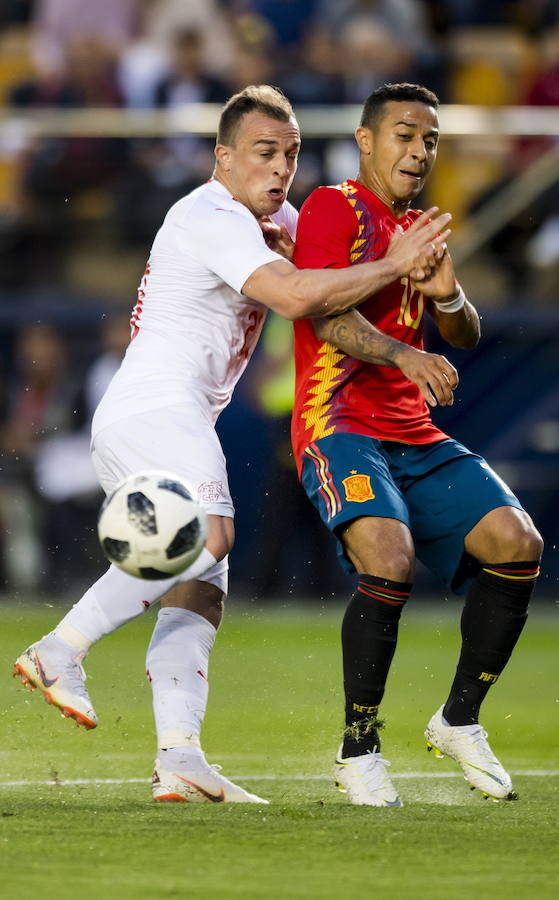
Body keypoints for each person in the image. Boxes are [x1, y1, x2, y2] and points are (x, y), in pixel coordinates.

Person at [13, 84, 452, 804]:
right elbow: (299, 298)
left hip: (154, 415)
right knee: (210, 534)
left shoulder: (267, 221)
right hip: (158, 406)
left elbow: (307, 273)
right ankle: (60, 649)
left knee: (201, 589)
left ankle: (179, 756)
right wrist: (396, 262)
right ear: (223, 157)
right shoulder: (211, 213)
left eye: (291, 154)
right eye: (262, 153)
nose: (280, 169)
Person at [291, 82, 544, 806]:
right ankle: (359, 746)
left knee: (516, 541)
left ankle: (458, 719)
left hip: (413, 430)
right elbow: (324, 314)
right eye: (405, 134)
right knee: (389, 559)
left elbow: (464, 331)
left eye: (430, 138)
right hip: (337, 422)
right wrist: (405, 355)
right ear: (367, 141)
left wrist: (448, 294)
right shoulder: (333, 207)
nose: (419, 150)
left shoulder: (421, 228)